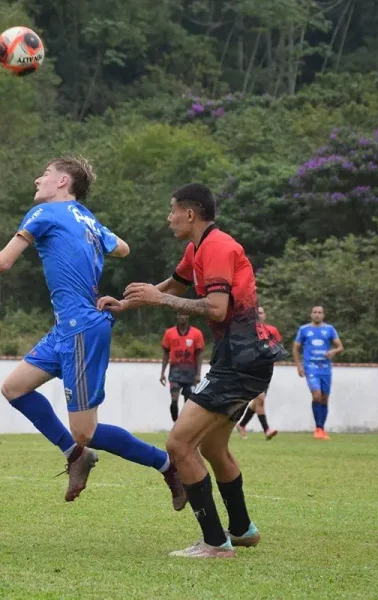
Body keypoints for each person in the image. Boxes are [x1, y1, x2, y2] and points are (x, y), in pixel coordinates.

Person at [0, 155, 185, 510]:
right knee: (14, 388)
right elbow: (123, 248)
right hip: (66, 328)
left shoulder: (44, 213)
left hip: (82, 329)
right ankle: (76, 455)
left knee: (87, 430)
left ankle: (169, 466)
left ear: (63, 181)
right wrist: (92, 235)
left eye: (45, 174)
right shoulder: (88, 219)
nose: (38, 180)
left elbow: (2, 262)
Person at [98, 183, 288, 558]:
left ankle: (216, 544)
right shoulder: (197, 248)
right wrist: (125, 304)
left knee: (178, 444)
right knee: (213, 446)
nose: (169, 218)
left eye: (172, 211)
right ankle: (242, 529)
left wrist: (162, 299)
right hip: (243, 358)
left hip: (240, 359)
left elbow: (216, 309)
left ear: (190, 213)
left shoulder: (217, 247)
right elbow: (174, 285)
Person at [293, 305, 343, 439]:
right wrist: (299, 366)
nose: (317, 314)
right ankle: (318, 428)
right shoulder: (304, 330)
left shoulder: (329, 329)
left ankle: (321, 428)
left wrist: (333, 351)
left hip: (325, 368)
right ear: (311, 314)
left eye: (319, 312)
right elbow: (296, 348)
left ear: (323, 315)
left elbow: (340, 347)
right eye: (314, 312)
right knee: (316, 396)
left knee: (324, 399)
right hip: (311, 367)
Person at [235, 306, 280, 440]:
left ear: (265, 315)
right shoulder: (247, 332)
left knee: (257, 402)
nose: (259, 315)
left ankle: (242, 424)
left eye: (261, 313)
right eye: (256, 313)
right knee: (259, 399)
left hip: (266, 371)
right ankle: (267, 430)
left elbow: (277, 349)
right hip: (251, 370)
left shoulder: (272, 331)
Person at [160, 314, 205, 422]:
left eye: (184, 315)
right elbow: (166, 354)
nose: (182, 317)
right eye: (180, 314)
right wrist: (162, 373)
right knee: (174, 399)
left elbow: (199, 355)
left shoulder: (196, 333)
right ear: (176, 316)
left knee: (188, 402)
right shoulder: (169, 333)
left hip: (190, 371)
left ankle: (185, 425)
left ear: (188, 317)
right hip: (175, 370)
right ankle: (175, 423)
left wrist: (198, 373)